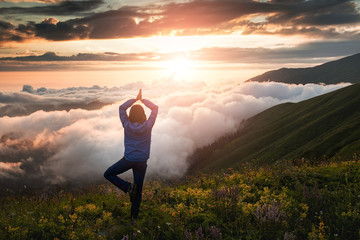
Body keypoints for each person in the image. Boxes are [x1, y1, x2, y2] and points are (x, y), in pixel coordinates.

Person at [104, 89, 158, 219]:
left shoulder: (126, 124)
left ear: (131, 115)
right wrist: (143, 100)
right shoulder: (148, 125)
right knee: (138, 191)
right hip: (142, 161)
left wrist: (135, 99)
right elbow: (155, 108)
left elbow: (122, 108)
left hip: (128, 159)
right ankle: (134, 219)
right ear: (143, 114)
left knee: (108, 174)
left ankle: (128, 187)